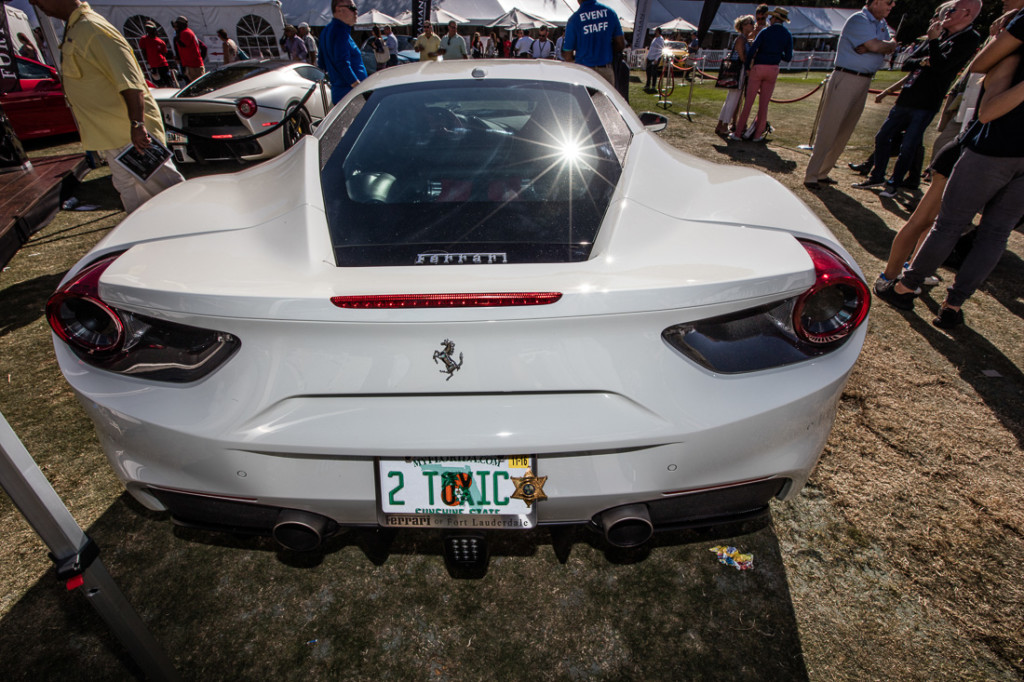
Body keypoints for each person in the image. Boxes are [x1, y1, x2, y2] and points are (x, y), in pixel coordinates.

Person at [876, 41, 1024, 330]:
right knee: (994, 234)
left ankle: (907, 288)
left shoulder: (1012, 59)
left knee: (951, 225)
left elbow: (988, 112)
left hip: (992, 153)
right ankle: (953, 305)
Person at [27, 0, 184, 213]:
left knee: (169, 193)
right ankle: (147, 240)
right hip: (115, 136)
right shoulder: (77, 28)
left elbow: (130, 81)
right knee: (133, 195)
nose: (33, 2)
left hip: (131, 136)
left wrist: (137, 124)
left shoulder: (92, 28)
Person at [852, 0, 981, 197]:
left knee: (909, 144)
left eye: (952, 10)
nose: (946, 14)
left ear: (967, 14)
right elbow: (908, 63)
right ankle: (877, 175)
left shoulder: (968, 39)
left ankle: (894, 183)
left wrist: (934, 43)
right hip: (908, 96)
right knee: (883, 136)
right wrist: (925, 59)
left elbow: (941, 66)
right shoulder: (939, 34)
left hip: (927, 101)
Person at [803, 0, 896, 189]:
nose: (892, 6)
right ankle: (811, 174)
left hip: (865, 80)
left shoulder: (881, 24)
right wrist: (880, 46)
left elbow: (883, 45)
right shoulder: (859, 20)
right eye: (889, 2)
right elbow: (877, 46)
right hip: (846, 77)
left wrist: (884, 45)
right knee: (830, 126)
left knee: (845, 129)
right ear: (876, 2)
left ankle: (823, 172)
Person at [732, 7, 792, 142]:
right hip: (773, 69)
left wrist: (748, 66)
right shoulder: (787, 34)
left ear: (775, 18)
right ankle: (757, 135)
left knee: (748, 103)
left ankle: (738, 132)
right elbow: (788, 57)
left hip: (759, 67)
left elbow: (753, 49)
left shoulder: (765, 32)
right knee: (764, 105)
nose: (769, 20)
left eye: (771, 17)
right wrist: (776, 53)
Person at [561, 0, 626, 86]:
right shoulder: (610, 13)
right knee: (605, 99)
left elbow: (567, 55)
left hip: (584, 71)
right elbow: (620, 44)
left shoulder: (574, 19)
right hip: (605, 70)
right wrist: (606, 51)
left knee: (584, 99)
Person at [318, 0, 366, 104]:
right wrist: (357, 86)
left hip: (338, 94)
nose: (356, 11)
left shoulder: (325, 31)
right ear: (339, 9)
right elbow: (342, 62)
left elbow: (321, 64)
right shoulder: (340, 31)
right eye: (352, 8)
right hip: (351, 95)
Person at [716, 15, 755, 137]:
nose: (752, 25)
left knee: (731, 99)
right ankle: (724, 124)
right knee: (733, 100)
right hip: (738, 71)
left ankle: (721, 124)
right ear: (743, 25)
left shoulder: (744, 39)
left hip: (739, 70)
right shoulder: (740, 39)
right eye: (750, 23)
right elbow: (742, 57)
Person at [172, 15, 205, 83]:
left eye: (178, 24)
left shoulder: (186, 33)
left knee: (197, 84)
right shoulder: (184, 33)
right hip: (189, 65)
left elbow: (182, 44)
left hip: (193, 66)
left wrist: (177, 34)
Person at [139, 21, 172, 86]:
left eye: (150, 28)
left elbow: (164, 53)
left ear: (154, 29)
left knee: (168, 82)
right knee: (158, 82)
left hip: (162, 64)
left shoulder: (160, 41)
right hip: (153, 65)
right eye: (147, 28)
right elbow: (143, 51)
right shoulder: (144, 39)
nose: (148, 30)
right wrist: (148, 62)